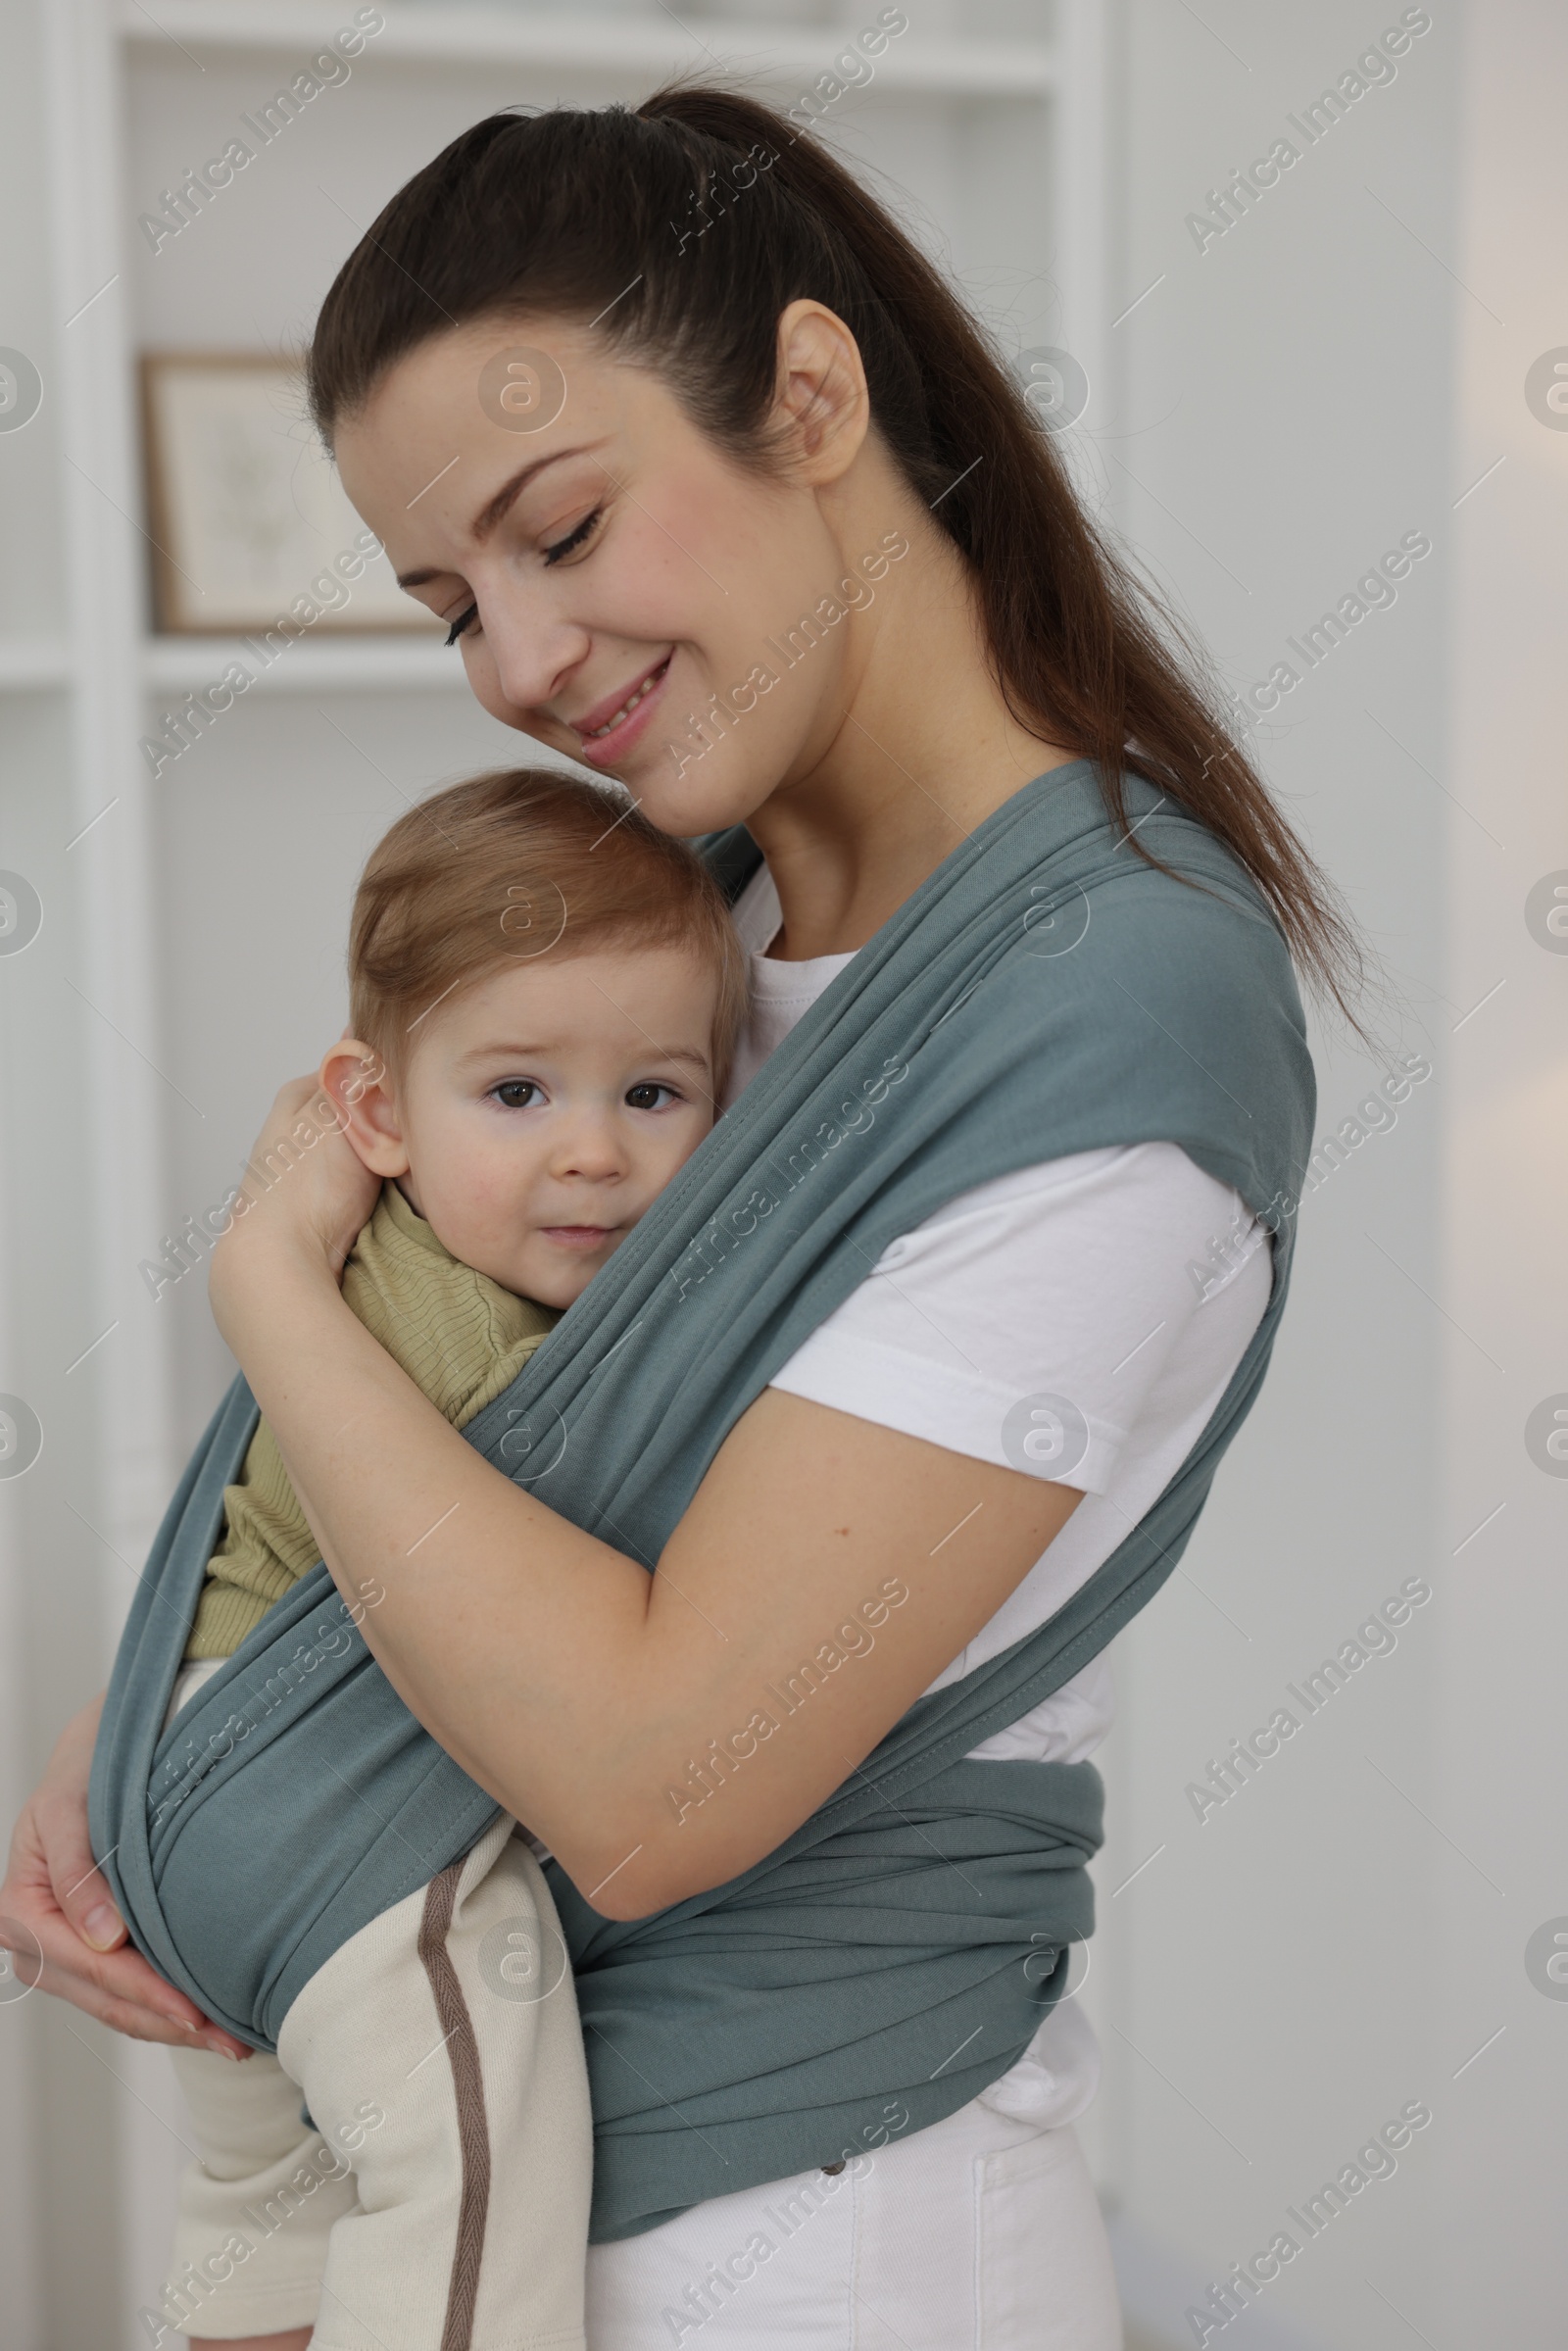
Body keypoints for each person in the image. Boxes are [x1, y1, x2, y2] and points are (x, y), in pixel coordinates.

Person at [3, 85, 1350, 2350]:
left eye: (561, 528)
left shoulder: (1108, 1001)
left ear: (808, 398)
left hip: (810, 2229)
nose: (517, 663)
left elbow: (653, 1788)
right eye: (453, 603)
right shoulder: (689, 939)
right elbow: (449, 1416)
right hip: (453, 2176)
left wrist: (257, 1276)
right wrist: (156, 1731)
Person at [132, 766, 750, 2347]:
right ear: (378, 1112)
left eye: (655, 1094)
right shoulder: (485, 1341)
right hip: (329, 1821)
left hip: (195, 1789)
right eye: (521, 1094)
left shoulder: (367, 1270)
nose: (595, 1155)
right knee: (476, 2163)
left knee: (264, 2192)